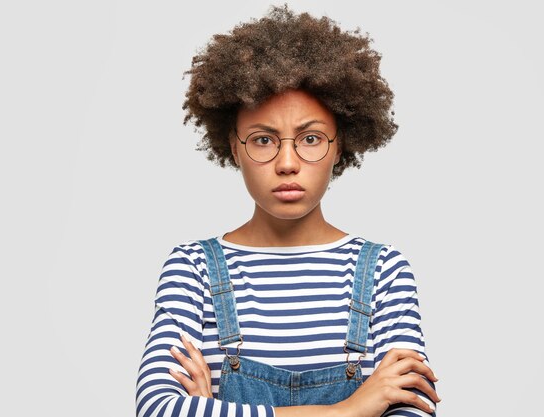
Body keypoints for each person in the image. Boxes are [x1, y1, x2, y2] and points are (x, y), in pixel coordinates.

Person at [136, 5, 441, 417]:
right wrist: (348, 410)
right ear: (233, 146)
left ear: (339, 145)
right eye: (263, 140)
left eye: (311, 138)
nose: (287, 162)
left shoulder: (385, 271)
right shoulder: (193, 270)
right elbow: (157, 410)